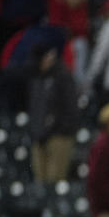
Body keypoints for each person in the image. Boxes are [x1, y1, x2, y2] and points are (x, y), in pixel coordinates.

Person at [28, 42, 78, 182]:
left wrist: (58, 128)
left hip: (58, 137)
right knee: (40, 182)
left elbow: (71, 109)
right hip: (39, 136)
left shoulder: (63, 77)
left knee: (54, 181)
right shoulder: (37, 78)